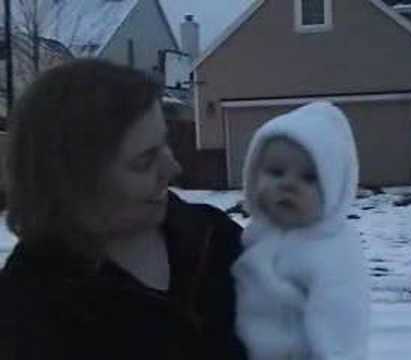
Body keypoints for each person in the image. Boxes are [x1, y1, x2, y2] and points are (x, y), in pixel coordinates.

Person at [0, 59, 246, 360]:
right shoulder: (29, 308)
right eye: (144, 161)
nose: (173, 168)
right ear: (74, 182)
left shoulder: (214, 237)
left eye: (165, 144)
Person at [231, 102, 370, 359]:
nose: (288, 184)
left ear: (334, 189)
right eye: (276, 172)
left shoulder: (332, 251)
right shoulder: (256, 235)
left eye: (308, 178)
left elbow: (343, 323)